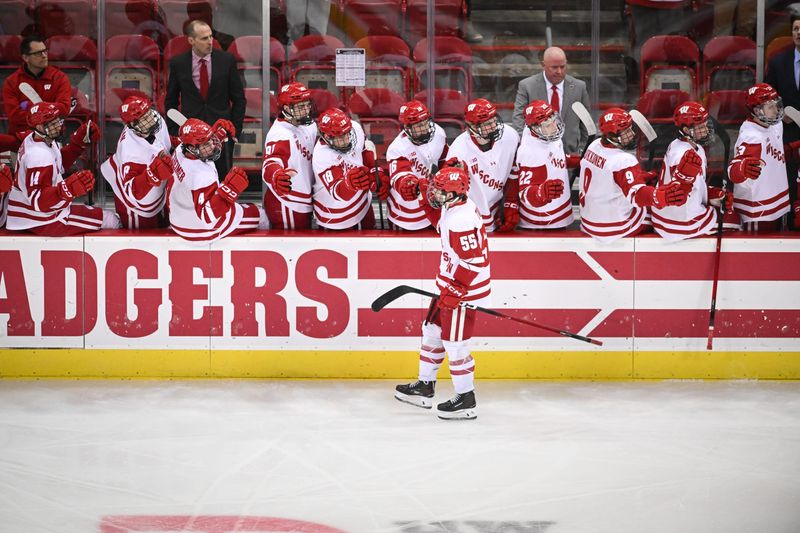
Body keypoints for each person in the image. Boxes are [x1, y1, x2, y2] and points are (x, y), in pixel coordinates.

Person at [395, 165, 490, 420]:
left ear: (454, 194)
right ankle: (425, 386)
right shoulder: (454, 207)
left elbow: (474, 260)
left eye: (440, 191)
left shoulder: (462, 219)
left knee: (455, 345)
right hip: (449, 285)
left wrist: (458, 289)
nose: (435, 194)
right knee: (432, 331)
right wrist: (420, 195)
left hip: (463, 291)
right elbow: (438, 221)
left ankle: (466, 398)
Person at [6, 102, 119, 235]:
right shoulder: (38, 155)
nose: (58, 126)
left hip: (30, 214)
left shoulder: (36, 139)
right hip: (41, 219)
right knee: (111, 220)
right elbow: (39, 202)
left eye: (57, 121)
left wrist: (76, 145)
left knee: (98, 213)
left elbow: (56, 165)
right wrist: (67, 189)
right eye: (52, 124)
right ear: (39, 126)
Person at [578, 107, 688, 243]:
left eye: (630, 129)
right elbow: (638, 196)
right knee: (660, 216)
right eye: (625, 132)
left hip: (588, 220)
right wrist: (661, 196)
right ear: (612, 135)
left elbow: (607, 175)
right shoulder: (624, 160)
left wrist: (640, 176)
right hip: (610, 228)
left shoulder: (594, 145)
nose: (631, 134)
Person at [164, 20, 245, 178]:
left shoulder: (226, 60)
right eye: (204, 38)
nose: (210, 42)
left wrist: (235, 130)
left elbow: (239, 99)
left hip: (220, 133)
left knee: (222, 180)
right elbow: (170, 101)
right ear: (191, 40)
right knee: (191, 181)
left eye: (210, 37)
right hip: (191, 136)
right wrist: (176, 132)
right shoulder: (178, 63)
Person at [169, 118, 268, 243]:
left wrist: (213, 135)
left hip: (178, 218)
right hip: (199, 230)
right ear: (192, 148)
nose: (212, 145)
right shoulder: (201, 175)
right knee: (260, 215)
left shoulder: (180, 151)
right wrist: (230, 190)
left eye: (211, 139)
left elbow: (186, 142)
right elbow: (207, 216)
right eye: (206, 144)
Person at [651, 102, 735, 240]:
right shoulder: (680, 155)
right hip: (679, 222)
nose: (706, 130)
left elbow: (693, 185)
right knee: (736, 221)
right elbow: (678, 192)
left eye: (705, 125)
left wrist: (711, 195)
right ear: (685, 130)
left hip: (669, 215)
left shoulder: (690, 147)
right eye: (700, 127)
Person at [100, 96, 174, 229]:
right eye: (145, 119)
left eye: (149, 112)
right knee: (140, 237)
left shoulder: (154, 122)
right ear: (134, 126)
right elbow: (132, 191)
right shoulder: (130, 151)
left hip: (153, 191)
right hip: (131, 203)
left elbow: (163, 142)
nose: (151, 118)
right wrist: (154, 174)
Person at [448, 98, 520, 232]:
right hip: (470, 214)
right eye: (487, 123)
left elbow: (515, 172)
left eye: (494, 120)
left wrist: (511, 202)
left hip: (499, 207)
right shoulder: (459, 150)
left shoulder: (510, 136)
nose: (494, 126)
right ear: (472, 127)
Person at [728, 83, 793, 232]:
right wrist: (741, 168)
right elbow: (733, 171)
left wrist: (791, 149)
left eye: (776, 104)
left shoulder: (774, 124)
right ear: (757, 111)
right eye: (770, 107)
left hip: (778, 200)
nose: (776, 110)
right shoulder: (751, 137)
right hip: (758, 209)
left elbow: (773, 153)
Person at [311, 107, 389, 230]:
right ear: (327, 137)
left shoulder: (355, 128)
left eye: (347, 134)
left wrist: (375, 172)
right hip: (335, 216)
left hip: (363, 204)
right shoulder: (322, 155)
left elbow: (364, 151)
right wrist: (349, 184)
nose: (345, 140)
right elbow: (339, 192)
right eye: (339, 137)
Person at [512, 47, 591, 157]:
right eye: (554, 67)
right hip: (537, 155)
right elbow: (519, 120)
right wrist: (526, 147)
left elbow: (586, 124)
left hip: (570, 155)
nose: (559, 71)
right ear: (543, 65)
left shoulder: (579, 87)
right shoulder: (527, 86)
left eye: (562, 67)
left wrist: (581, 151)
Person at [1, 34, 72, 152]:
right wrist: (48, 112)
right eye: (38, 53)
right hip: (20, 142)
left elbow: (64, 108)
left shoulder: (59, 78)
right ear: (25, 57)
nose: (44, 56)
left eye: (45, 51)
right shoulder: (11, 82)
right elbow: (14, 116)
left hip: (52, 139)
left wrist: (29, 107)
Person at [261, 82, 317, 230]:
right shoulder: (280, 134)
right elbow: (271, 161)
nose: (306, 110)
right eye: (300, 107)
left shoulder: (308, 125)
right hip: (286, 202)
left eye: (307, 105)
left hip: (303, 200)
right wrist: (276, 175)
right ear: (286, 109)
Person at [387, 100, 449, 231]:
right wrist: (409, 184)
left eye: (425, 122)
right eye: (418, 126)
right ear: (407, 128)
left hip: (432, 206)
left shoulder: (439, 133)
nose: (424, 128)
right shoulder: (398, 148)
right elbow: (400, 176)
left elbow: (444, 161)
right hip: (404, 213)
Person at [516, 100, 576, 230]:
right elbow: (524, 193)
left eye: (554, 120)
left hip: (559, 209)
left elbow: (552, 157)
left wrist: (572, 160)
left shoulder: (547, 134)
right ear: (536, 129)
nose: (555, 127)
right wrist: (541, 192)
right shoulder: (530, 152)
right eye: (548, 125)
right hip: (541, 221)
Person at [765, 14, 800, 228]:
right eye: (796, 28)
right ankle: (788, 222)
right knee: (788, 176)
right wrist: (780, 113)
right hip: (787, 131)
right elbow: (769, 96)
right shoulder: (779, 61)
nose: (799, 33)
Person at [0, 163, 12, 228]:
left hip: (4, 190)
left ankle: (3, 222)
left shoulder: (5, 167)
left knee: (4, 207)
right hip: (5, 189)